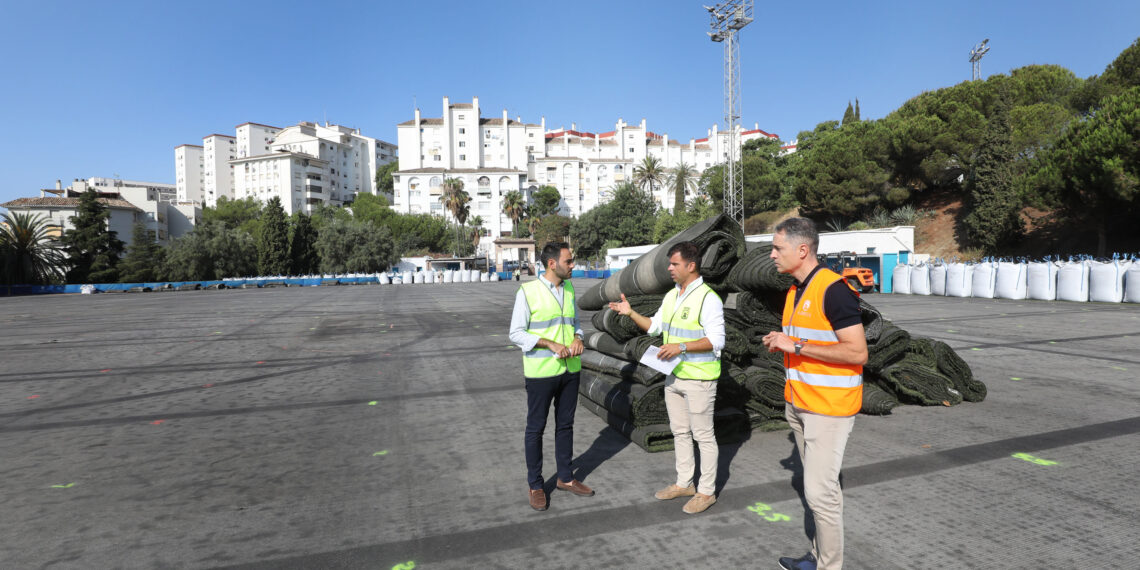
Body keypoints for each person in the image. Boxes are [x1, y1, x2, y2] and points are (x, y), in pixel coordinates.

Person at [761, 217, 867, 570]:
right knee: (816, 492)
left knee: (820, 496)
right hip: (801, 405)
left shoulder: (833, 289)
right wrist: (783, 343)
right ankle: (817, 557)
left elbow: (857, 352)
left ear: (802, 250)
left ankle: (828, 566)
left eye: (778, 248)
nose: (772, 255)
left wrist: (797, 344)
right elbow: (805, 342)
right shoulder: (795, 290)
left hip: (829, 410)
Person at [608, 241, 725, 514]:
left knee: (703, 436)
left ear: (691, 266)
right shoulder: (672, 296)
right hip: (674, 376)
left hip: (700, 378)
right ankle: (685, 483)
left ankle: (706, 491)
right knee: (680, 432)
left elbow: (718, 340)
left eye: (674, 264)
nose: (669, 268)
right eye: (669, 264)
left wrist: (681, 347)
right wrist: (631, 313)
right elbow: (654, 327)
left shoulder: (708, 298)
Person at [508, 242, 594, 511]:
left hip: (570, 370)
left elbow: (576, 324)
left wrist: (579, 338)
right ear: (552, 264)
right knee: (536, 429)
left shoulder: (568, 288)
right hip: (541, 372)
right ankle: (536, 485)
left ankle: (565, 478)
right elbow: (516, 333)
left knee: (565, 426)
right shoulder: (528, 291)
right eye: (569, 261)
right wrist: (548, 343)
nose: (573, 265)